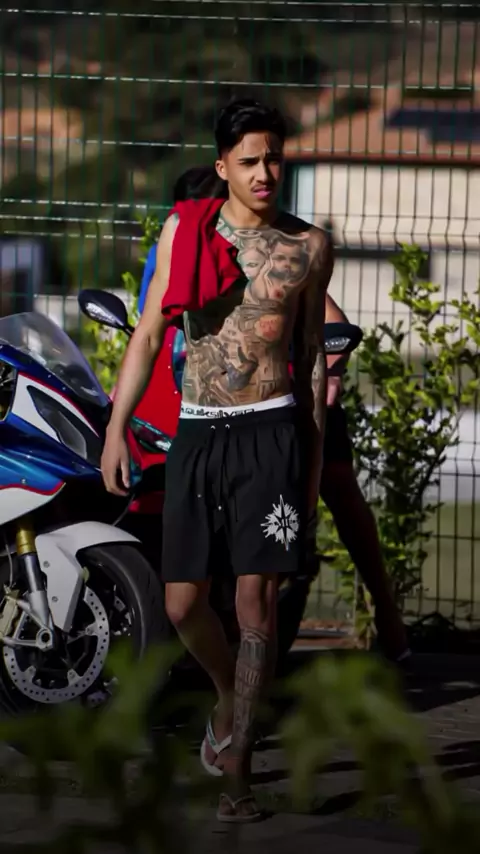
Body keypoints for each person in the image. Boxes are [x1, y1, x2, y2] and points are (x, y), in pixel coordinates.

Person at [101, 97, 332, 823]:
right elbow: (148, 333)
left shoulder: (309, 247)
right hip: (199, 432)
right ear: (223, 165)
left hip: (272, 431)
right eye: (250, 161)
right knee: (181, 602)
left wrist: (312, 462)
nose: (266, 173)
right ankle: (230, 696)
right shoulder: (187, 229)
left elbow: (310, 358)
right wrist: (116, 428)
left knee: (255, 602)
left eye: (275, 159)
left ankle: (239, 773)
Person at [137, 169, 409, 664]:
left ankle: (386, 615)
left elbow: (331, 327)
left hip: (283, 404)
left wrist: (325, 380)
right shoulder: (177, 245)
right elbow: (150, 332)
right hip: (202, 410)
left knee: (338, 485)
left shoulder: (277, 250)